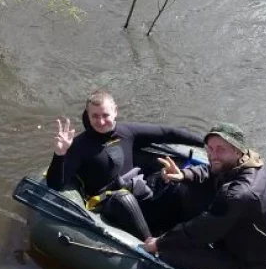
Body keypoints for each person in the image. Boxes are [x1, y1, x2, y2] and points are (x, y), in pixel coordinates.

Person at [142, 123, 266, 269]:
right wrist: (184, 174)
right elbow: (209, 170)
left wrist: (160, 243)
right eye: (209, 149)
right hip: (252, 244)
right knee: (192, 189)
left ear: (237, 150)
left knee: (169, 253)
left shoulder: (240, 193)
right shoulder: (248, 162)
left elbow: (201, 230)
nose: (213, 155)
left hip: (251, 267)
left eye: (220, 149)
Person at [46, 90, 204, 240]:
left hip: (138, 190)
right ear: (88, 115)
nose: (101, 122)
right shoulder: (79, 145)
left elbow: (167, 132)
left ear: (115, 111)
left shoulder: (127, 131)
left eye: (105, 115)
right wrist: (60, 154)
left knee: (176, 183)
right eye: (95, 116)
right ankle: (150, 246)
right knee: (124, 199)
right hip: (109, 202)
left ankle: (192, 234)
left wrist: (207, 143)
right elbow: (55, 184)